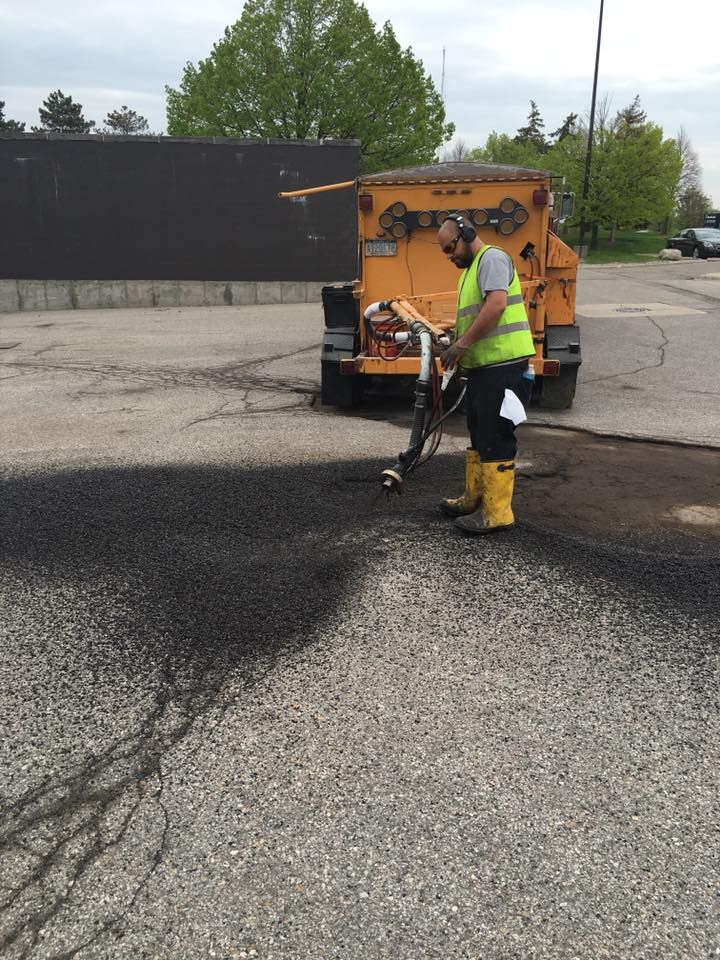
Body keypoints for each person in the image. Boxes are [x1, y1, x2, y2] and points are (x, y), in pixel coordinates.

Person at [437, 214, 535, 534]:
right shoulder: (470, 272)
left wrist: (461, 345)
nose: (448, 256)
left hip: (504, 366)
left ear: (466, 235)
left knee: (496, 437)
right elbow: (474, 317)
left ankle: (496, 513)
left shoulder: (491, 259)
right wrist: (454, 342)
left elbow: (496, 306)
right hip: (485, 369)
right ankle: (474, 499)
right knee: (479, 435)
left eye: (450, 248)